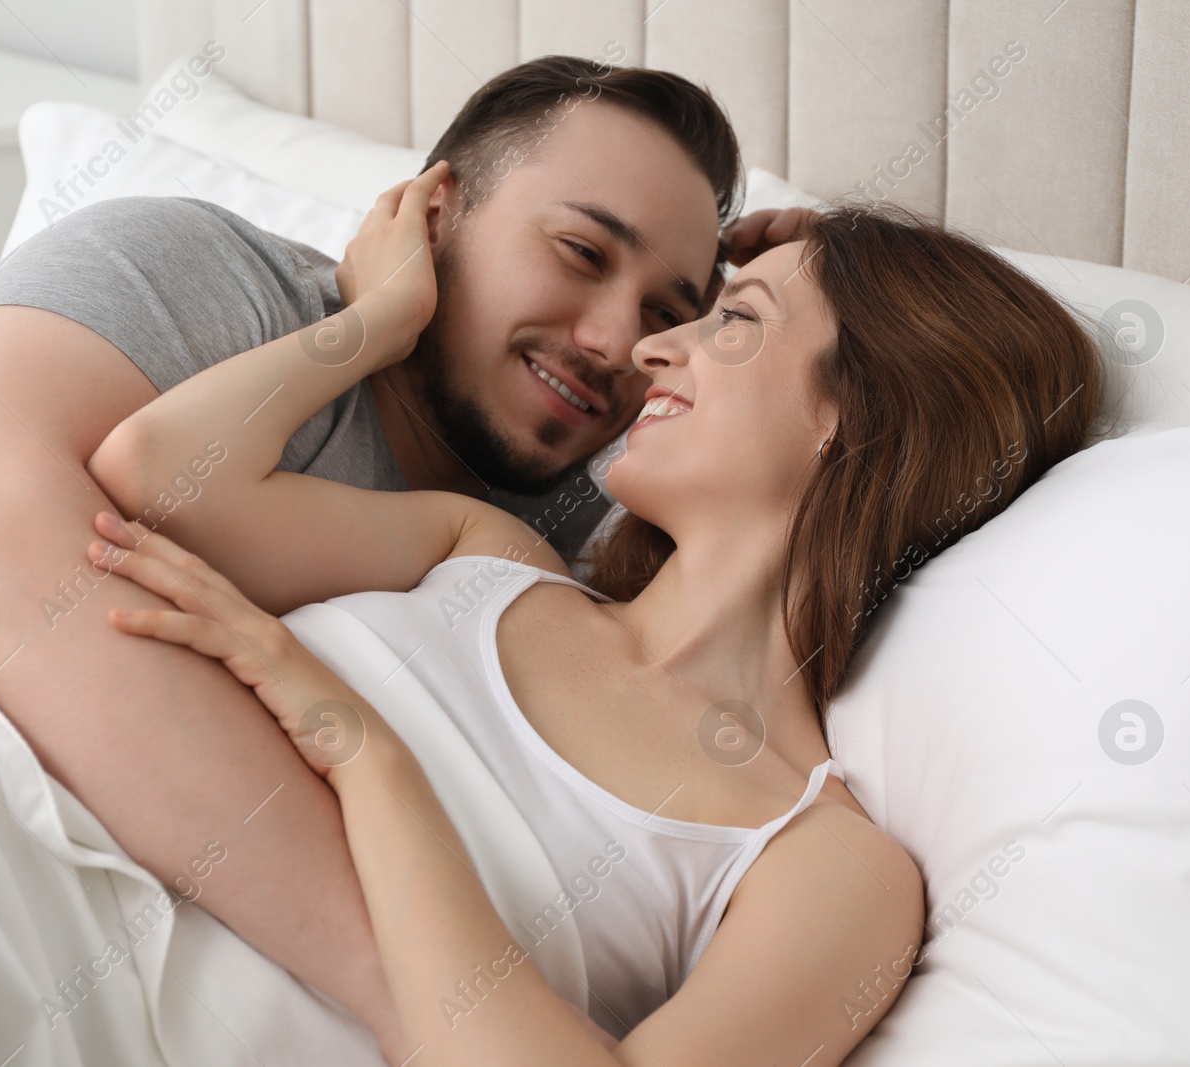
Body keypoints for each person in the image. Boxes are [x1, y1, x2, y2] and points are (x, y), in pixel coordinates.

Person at [75, 178, 1106, 1062]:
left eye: (733, 318)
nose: (654, 348)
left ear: (853, 413)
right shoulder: (481, 553)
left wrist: (364, 754)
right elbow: (152, 482)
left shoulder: (827, 870)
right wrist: (377, 318)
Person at [0, 56, 756, 1061]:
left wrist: (820, 280)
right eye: (580, 250)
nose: (616, 340)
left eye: (667, 311)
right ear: (436, 210)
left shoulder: (604, 513)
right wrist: (424, 1005)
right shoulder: (200, 273)